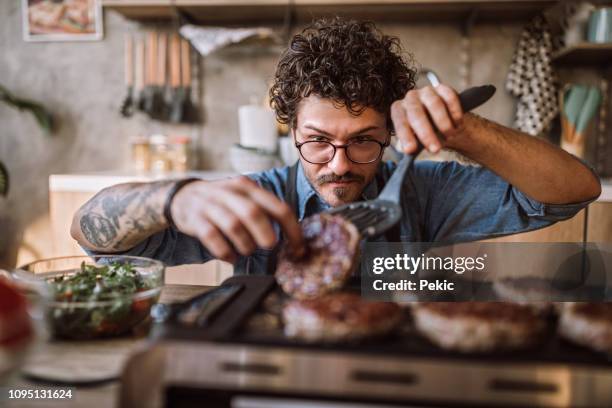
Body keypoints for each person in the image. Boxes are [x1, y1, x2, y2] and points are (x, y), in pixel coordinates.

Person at [71, 18, 601, 274]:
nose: (340, 166)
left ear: (391, 135)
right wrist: (174, 198)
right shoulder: (258, 198)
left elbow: (574, 191)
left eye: (365, 142)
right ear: (291, 131)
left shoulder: (424, 191)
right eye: (318, 143)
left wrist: (462, 130)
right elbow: (92, 236)